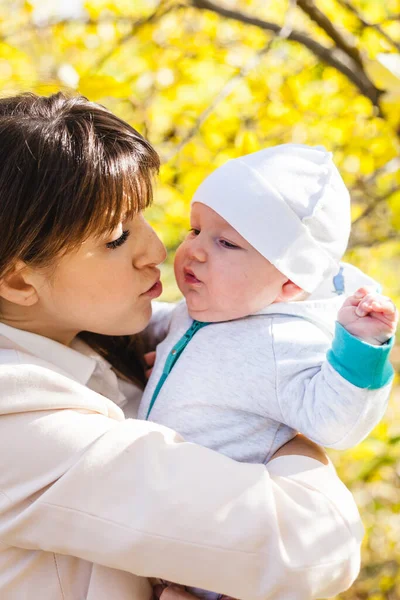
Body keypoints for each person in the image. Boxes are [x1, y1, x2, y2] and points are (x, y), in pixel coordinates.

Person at [0, 92, 363, 600]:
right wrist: (282, 433)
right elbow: (314, 548)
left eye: (145, 217)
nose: (156, 249)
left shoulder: (102, 349)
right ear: (19, 282)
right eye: (116, 237)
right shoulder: (19, 423)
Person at [138, 145, 397, 599]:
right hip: (163, 524)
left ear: (290, 281)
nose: (193, 250)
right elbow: (155, 324)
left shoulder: (284, 344)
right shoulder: (200, 311)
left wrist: (360, 348)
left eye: (225, 243)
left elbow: (336, 421)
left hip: (222, 545)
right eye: (196, 229)